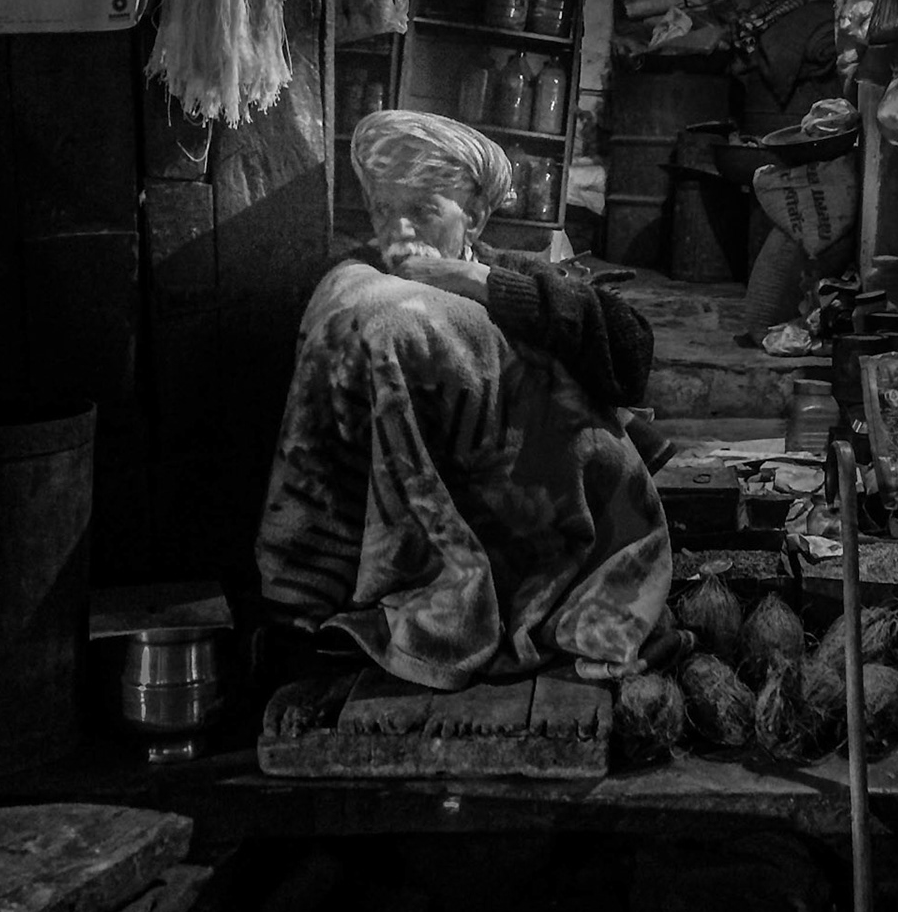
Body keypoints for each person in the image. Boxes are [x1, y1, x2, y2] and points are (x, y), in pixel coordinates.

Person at [255, 111, 670, 690]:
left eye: (423, 209)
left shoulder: (501, 270)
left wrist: (481, 284)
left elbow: (631, 349)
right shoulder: (358, 283)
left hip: (527, 538)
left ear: (473, 217)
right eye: (383, 210)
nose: (399, 232)